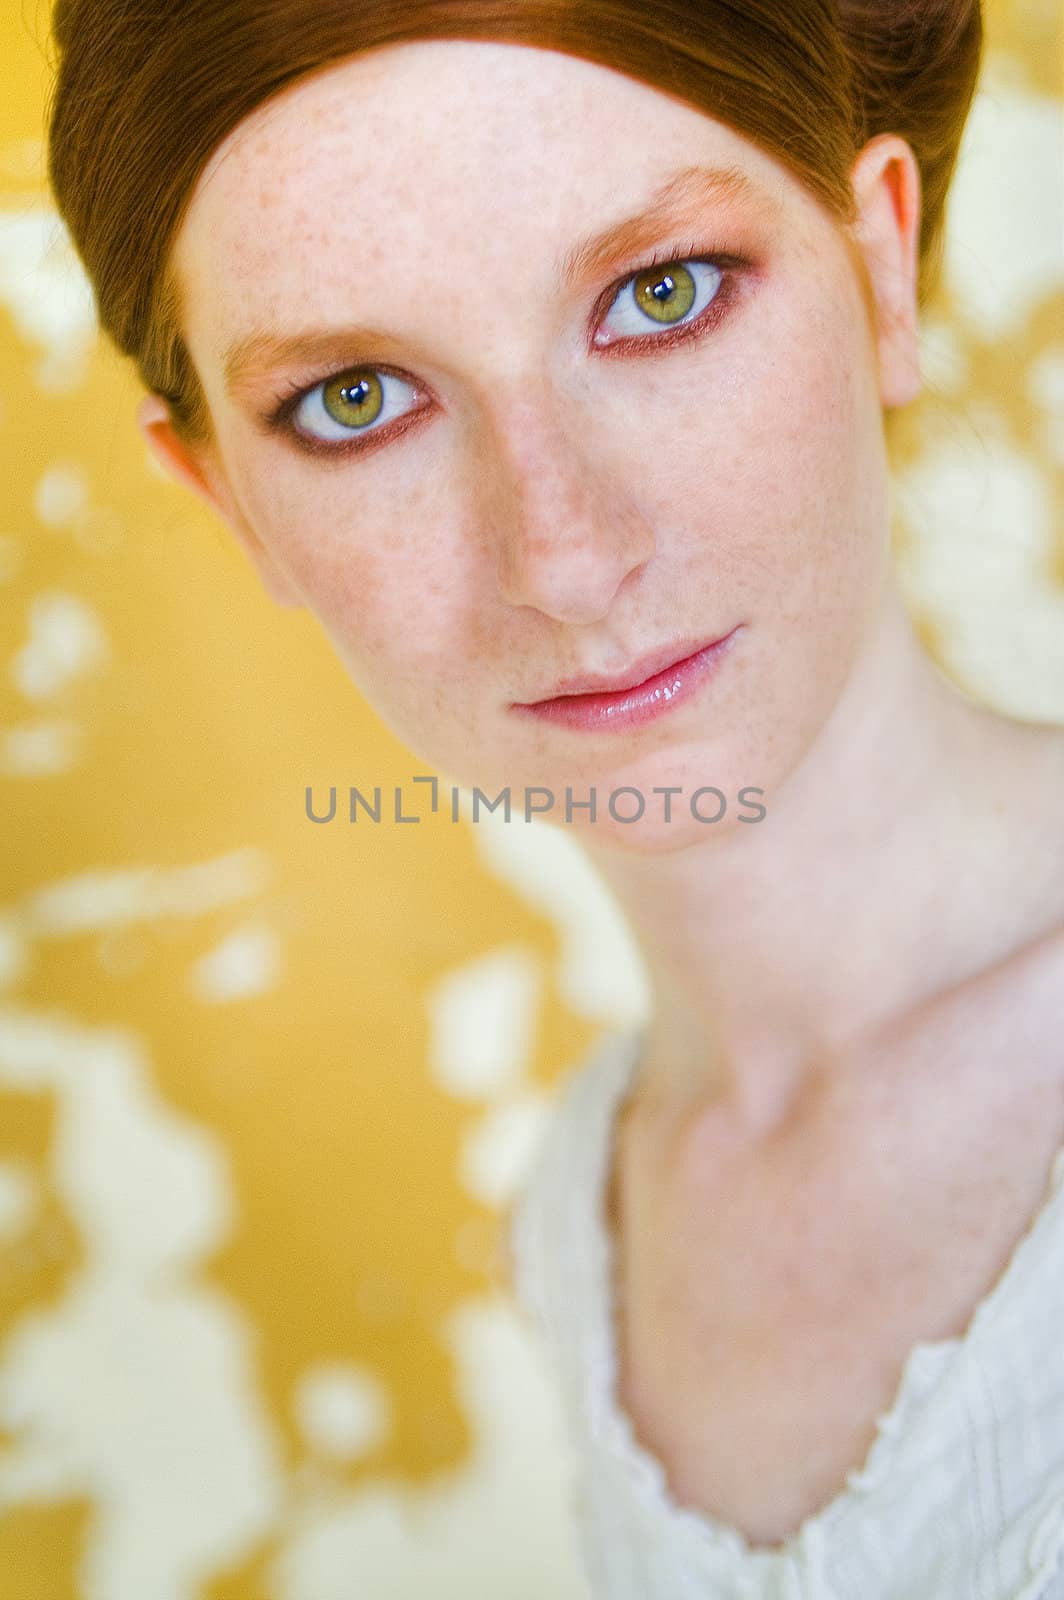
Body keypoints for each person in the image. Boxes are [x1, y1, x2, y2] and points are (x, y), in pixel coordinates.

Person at [46, 1, 1064, 1591]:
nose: (568, 557)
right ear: (228, 505)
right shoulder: (585, 1221)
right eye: (359, 400)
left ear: (879, 261)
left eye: (661, 296)